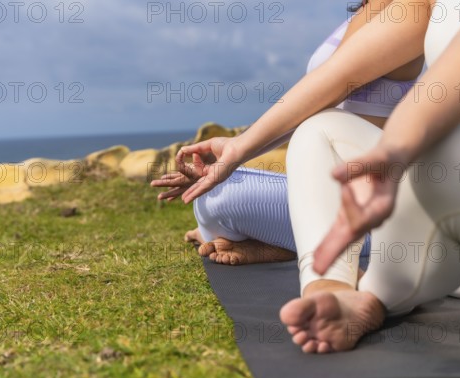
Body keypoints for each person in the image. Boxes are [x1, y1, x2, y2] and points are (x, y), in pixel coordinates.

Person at [151, 0, 423, 270]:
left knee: (221, 197)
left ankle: (263, 237)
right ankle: (259, 235)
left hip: (371, 210)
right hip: (325, 190)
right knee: (211, 190)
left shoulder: (409, 8)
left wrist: (238, 148)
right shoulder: (368, 8)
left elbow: (334, 84)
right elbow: (313, 104)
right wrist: (236, 151)